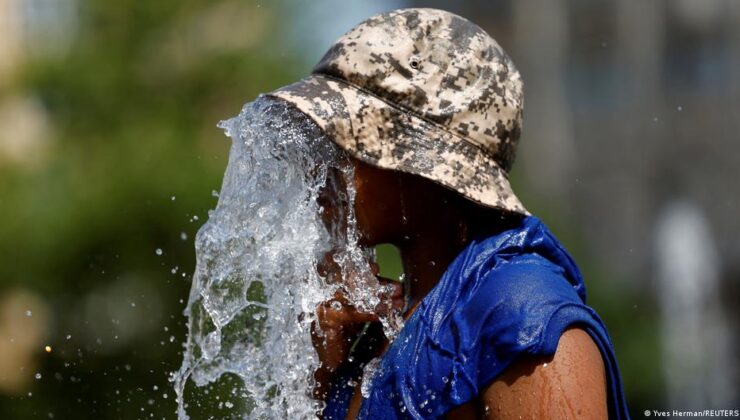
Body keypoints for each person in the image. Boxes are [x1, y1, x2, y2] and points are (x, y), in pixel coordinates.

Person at [267, 8, 630, 419]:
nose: (321, 170)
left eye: (344, 144)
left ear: (424, 163)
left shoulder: (520, 317)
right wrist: (319, 375)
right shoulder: (382, 328)